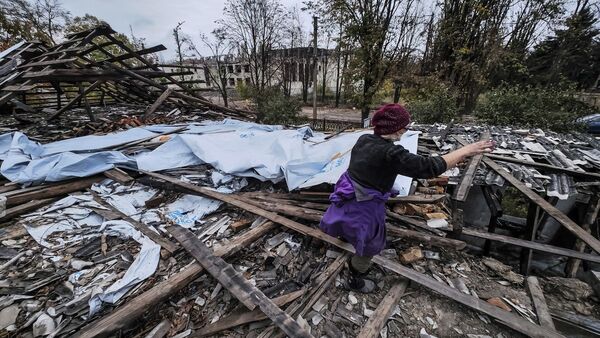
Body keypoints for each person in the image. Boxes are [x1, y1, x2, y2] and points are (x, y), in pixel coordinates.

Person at [319, 103, 494, 293]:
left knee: (348, 223)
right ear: (397, 129)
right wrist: (465, 151)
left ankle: (348, 237)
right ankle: (355, 278)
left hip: (349, 193)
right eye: (405, 127)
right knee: (370, 243)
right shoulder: (391, 154)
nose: (405, 130)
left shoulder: (364, 139)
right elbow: (430, 167)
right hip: (365, 204)